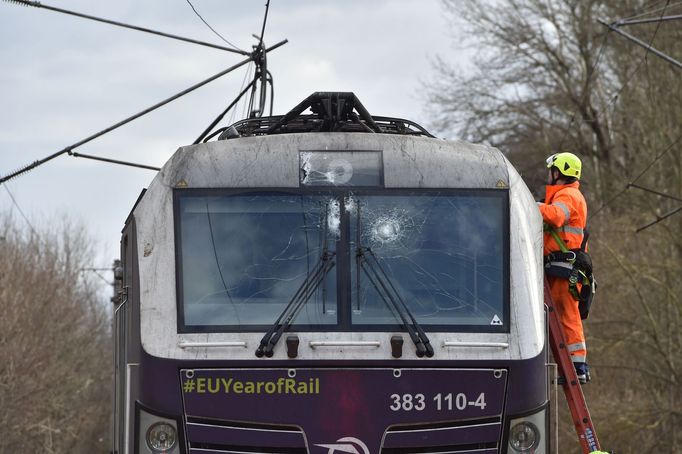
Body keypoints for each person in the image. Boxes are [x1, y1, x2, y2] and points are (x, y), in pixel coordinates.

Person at [537, 152, 590, 384]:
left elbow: (557, 217)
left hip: (565, 267)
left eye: (552, 171)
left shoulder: (568, 195)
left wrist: (532, 205)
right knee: (562, 316)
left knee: (568, 315)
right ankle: (572, 365)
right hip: (559, 266)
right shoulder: (564, 195)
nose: (550, 175)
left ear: (558, 172)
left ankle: (578, 366)